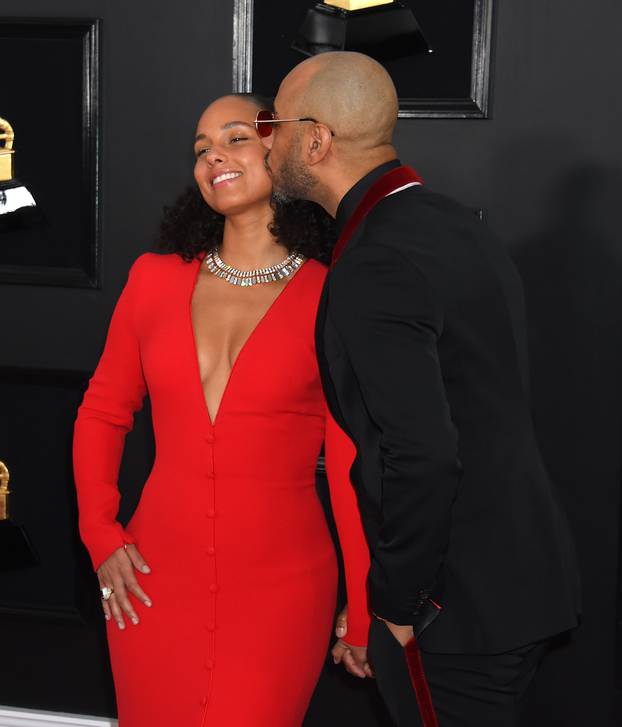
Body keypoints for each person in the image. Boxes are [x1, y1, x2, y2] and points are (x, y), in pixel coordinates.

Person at [261, 52, 581, 726]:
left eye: (273, 122)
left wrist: (400, 604)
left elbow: (423, 452)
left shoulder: (374, 261)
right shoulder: (451, 222)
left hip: (458, 609)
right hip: (517, 582)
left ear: (316, 139)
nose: (267, 138)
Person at [72, 93, 372, 727]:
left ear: (281, 149)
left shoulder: (331, 293)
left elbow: (350, 463)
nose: (213, 158)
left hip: (281, 586)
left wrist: (365, 600)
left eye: (235, 138)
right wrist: (100, 533)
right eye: (201, 149)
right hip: (151, 580)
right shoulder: (152, 280)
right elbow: (102, 411)